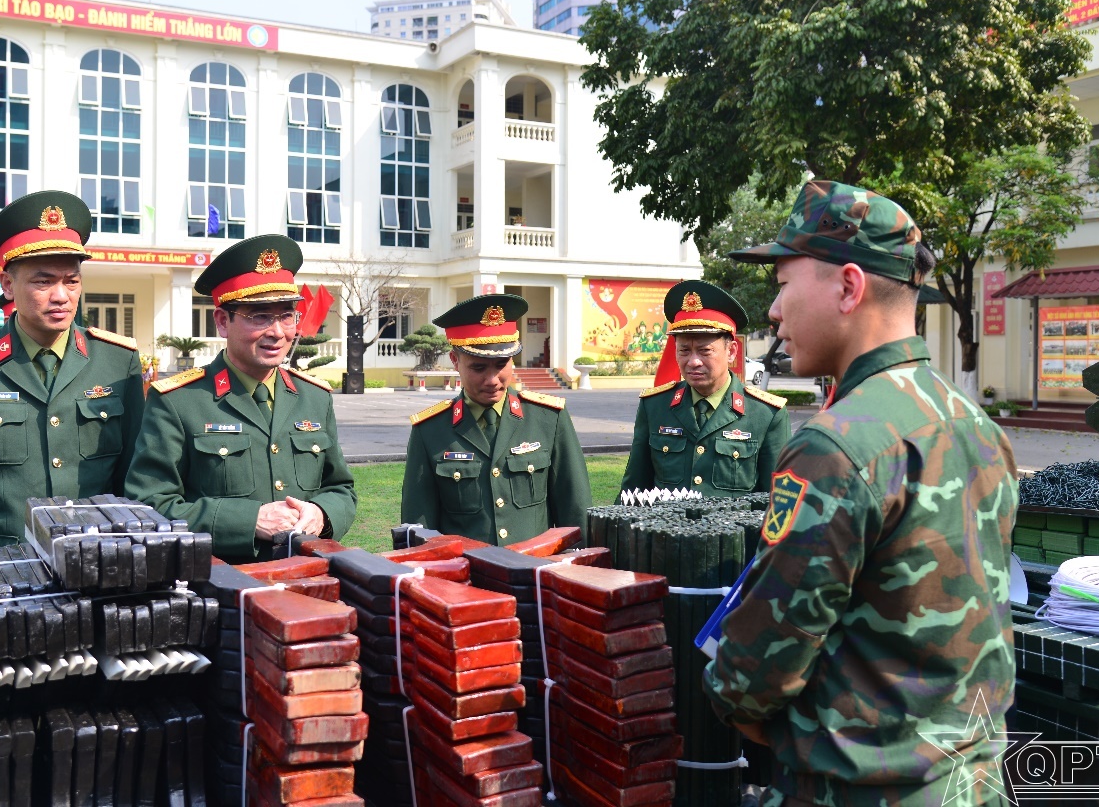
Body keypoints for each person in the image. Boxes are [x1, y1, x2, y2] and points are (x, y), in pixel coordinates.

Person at [703, 180, 1019, 805]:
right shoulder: (974, 423)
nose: (773, 312)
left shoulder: (837, 446)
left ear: (849, 287)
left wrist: (732, 695)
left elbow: (754, 673)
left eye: (782, 285)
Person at [125, 235, 355, 564]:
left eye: (287, 315)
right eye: (259, 316)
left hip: (309, 576)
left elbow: (341, 489)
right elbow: (150, 504)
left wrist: (321, 513)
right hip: (222, 582)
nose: (277, 332)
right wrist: (248, 521)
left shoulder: (314, 397)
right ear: (223, 321)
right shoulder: (179, 401)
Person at [0, 191, 145, 548]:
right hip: (4, 562)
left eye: (71, 280)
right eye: (43, 282)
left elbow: (133, 479)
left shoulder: (118, 361)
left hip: (99, 555)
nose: (61, 296)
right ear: (8, 285)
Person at [401, 294, 593, 544]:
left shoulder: (548, 419)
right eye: (478, 368)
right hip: (466, 568)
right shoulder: (430, 430)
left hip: (534, 566)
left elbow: (575, 511)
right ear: (455, 360)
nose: (492, 380)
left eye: (501, 365)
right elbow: (419, 528)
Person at [620, 280, 790, 497]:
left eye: (705, 351)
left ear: (731, 351)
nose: (693, 362)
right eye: (684, 351)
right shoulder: (655, 406)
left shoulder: (765, 414)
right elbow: (633, 491)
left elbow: (778, 500)